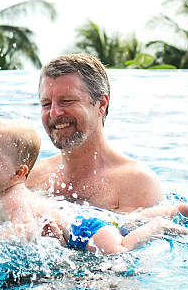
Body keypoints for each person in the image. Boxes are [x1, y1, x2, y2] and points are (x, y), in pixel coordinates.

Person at [0, 120, 188, 255]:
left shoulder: (14, 200)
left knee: (117, 248)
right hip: (71, 215)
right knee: (127, 220)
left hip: (82, 225)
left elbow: (24, 229)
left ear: (19, 173)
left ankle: (161, 225)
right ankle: (180, 209)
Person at [26, 53, 164, 212]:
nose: (54, 113)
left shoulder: (135, 183)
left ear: (101, 104)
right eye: (46, 104)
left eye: (67, 101)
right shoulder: (31, 176)